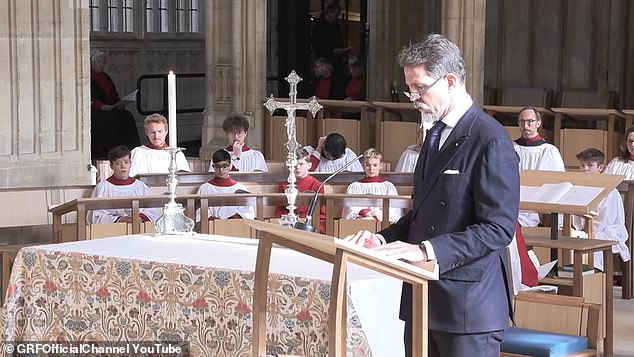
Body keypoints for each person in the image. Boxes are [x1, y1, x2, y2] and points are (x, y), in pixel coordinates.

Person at [344, 34, 519, 357]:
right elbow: (423, 213)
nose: (413, 97)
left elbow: (498, 228)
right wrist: (381, 240)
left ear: (450, 80)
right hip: (423, 298)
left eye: (420, 88)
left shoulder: (489, 138)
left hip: (468, 308)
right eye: (409, 89)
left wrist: (425, 250)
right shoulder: (434, 134)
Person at [572, 148, 630, 271]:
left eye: (590, 165)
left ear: (601, 168)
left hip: (604, 233)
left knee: (590, 246)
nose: (585, 169)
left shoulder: (610, 192)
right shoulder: (577, 188)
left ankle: (592, 282)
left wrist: (589, 233)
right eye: (582, 165)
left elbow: (608, 220)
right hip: (582, 233)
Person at [513, 107, 565, 227]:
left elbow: (557, 183)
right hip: (513, 202)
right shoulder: (511, 147)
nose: (526, 126)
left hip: (537, 207)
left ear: (538, 123)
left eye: (530, 121)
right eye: (522, 122)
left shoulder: (549, 151)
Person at [87, 145, 160, 224]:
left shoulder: (141, 187)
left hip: (138, 229)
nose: (123, 166)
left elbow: (152, 213)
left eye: (126, 162)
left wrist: (139, 218)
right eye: (118, 163)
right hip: (112, 232)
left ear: (130, 164)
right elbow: (95, 216)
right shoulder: (103, 187)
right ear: (111, 166)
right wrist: (119, 220)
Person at [90, 49, 141, 159]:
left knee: (127, 116)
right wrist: (102, 106)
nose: (102, 64)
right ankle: (112, 151)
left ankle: (133, 149)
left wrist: (120, 103)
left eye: (103, 62)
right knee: (109, 119)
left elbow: (113, 94)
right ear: (92, 63)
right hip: (96, 110)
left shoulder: (105, 76)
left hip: (110, 107)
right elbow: (90, 97)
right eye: (99, 62)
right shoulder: (89, 77)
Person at [342, 148, 402, 223]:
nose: (371, 168)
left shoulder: (388, 187)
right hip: (359, 223)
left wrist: (375, 216)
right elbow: (350, 212)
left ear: (381, 165)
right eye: (367, 165)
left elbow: (394, 212)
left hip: (381, 224)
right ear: (363, 165)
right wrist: (366, 214)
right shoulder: (354, 187)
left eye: (375, 165)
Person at [274, 148, 326, 233]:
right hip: (288, 226)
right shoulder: (284, 185)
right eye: (295, 165)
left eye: (301, 164)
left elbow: (322, 214)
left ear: (309, 165)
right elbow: (279, 210)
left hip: (309, 225)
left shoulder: (317, 185)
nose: (297, 167)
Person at [197, 149, 255, 220]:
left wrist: (229, 222)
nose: (221, 170)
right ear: (213, 167)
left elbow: (246, 212)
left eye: (224, 166)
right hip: (211, 227)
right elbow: (200, 212)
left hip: (235, 227)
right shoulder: (205, 188)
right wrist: (216, 222)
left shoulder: (240, 188)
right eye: (218, 166)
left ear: (230, 166)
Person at [310, 2, 351, 79]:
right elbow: (316, 45)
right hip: (324, 60)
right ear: (329, 12)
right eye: (336, 14)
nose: (337, 17)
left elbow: (339, 41)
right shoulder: (319, 25)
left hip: (336, 61)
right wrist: (332, 51)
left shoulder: (337, 26)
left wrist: (343, 50)